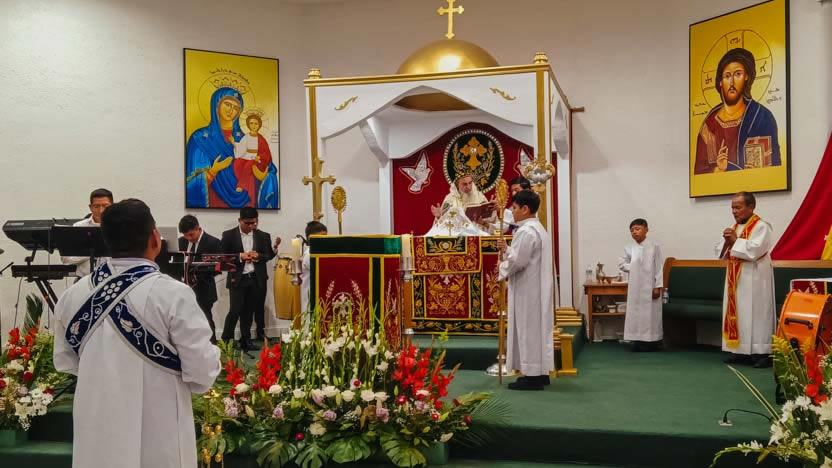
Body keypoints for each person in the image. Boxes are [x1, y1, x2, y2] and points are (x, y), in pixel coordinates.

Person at [53, 199, 220, 468]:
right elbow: (201, 372)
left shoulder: (73, 295)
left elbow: (66, 362)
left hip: (97, 424)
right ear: (155, 238)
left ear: (105, 239)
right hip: (160, 427)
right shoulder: (173, 294)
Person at [497, 190, 555, 391]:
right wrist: (507, 249)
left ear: (525, 209)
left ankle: (532, 377)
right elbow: (524, 256)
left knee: (528, 330)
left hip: (527, 289)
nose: (512, 211)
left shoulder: (526, 231)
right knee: (537, 330)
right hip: (537, 287)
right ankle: (540, 372)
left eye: (514, 208)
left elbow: (518, 261)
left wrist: (502, 265)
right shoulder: (539, 229)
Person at [185, 87, 279, 209]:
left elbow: (268, 168)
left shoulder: (247, 138)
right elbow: (190, 183)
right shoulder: (200, 138)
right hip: (214, 201)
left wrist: (262, 171)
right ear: (216, 105)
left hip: (247, 201)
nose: (231, 110)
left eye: (236, 108)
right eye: (227, 104)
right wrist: (213, 171)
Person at [694, 48, 781, 174]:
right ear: (720, 82)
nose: (732, 82)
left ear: (746, 77)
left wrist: (728, 167)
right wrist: (718, 169)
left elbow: (766, 173)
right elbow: (699, 174)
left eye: (738, 74)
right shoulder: (710, 124)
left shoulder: (760, 118)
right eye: (727, 76)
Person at [716, 191, 775, 368]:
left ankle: (761, 352)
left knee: (757, 314)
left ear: (751, 206)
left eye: (738, 207)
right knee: (739, 313)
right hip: (735, 279)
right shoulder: (733, 227)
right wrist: (726, 242)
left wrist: (735, 241)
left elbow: (755, 251)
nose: (734, 211)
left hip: (755, 278)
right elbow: (721, 253)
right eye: (732, 207)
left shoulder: (762, 226)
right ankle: (739, 351)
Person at [220, 207, 280, 350]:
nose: (251, 226)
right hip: (238, 278)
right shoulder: (228, 235)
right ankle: (226, 340)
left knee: (249, 311)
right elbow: (223, 257)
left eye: (254, 223)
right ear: (239, 220)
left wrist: (258, 256)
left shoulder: (263, 236)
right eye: (247, 223)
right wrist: (240, 256)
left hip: (255, 278)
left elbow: (267, 256)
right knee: (235, 310)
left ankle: (245, 340)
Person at [618, 218, 664, 352]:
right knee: (635, 314)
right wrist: (634, 265)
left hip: (650, 287)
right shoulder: (629, 248)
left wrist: (658, 287)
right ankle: (636, 340)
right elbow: (621, 264)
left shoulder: (654, 247)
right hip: (635, 287)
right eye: (632, 230)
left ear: (646, 229)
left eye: (637, 229)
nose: (634, 232)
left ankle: (651, 342)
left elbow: (659, 268)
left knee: (650, 315)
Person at [178, 215, 222, 344]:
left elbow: (217, 268)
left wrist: (198, 271)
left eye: (191, 234)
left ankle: (212, 345)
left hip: (204, 288)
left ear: (198, 228)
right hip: (184, 288)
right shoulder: (181, 241)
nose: (189, 238)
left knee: (206, 319)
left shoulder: (213, 242)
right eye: (186, 235)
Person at [61, 188, 113, 277]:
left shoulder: (120, 227)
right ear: (90, 207)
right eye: (96, 206)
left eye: (105, 206)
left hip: (111, 279)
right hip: (84, 279)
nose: (101, 210)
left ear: (112, 206)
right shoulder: (79, 227)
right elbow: (66, 259)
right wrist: (92, 252)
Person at [232, 113, 273, 200]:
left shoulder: (261, 139)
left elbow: (267, 153)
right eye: (251, 123)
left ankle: (241, 185)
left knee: (249, 164)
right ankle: (243, 181)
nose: (253, 126)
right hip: (247, 155)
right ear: (248, 124)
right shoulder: (246, 137)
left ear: (259, 125)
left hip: (258, 160)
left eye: (256, 123)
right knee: (237, 162)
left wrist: (260, 157)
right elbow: (241, 148)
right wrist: (234, 143)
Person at [301, 221, 328, 317]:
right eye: (322, 237)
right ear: (311, 238)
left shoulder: (322, 252)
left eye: (326, 237)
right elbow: (322, 269)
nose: (325, 240)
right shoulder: (310, 254)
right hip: (311, 298)